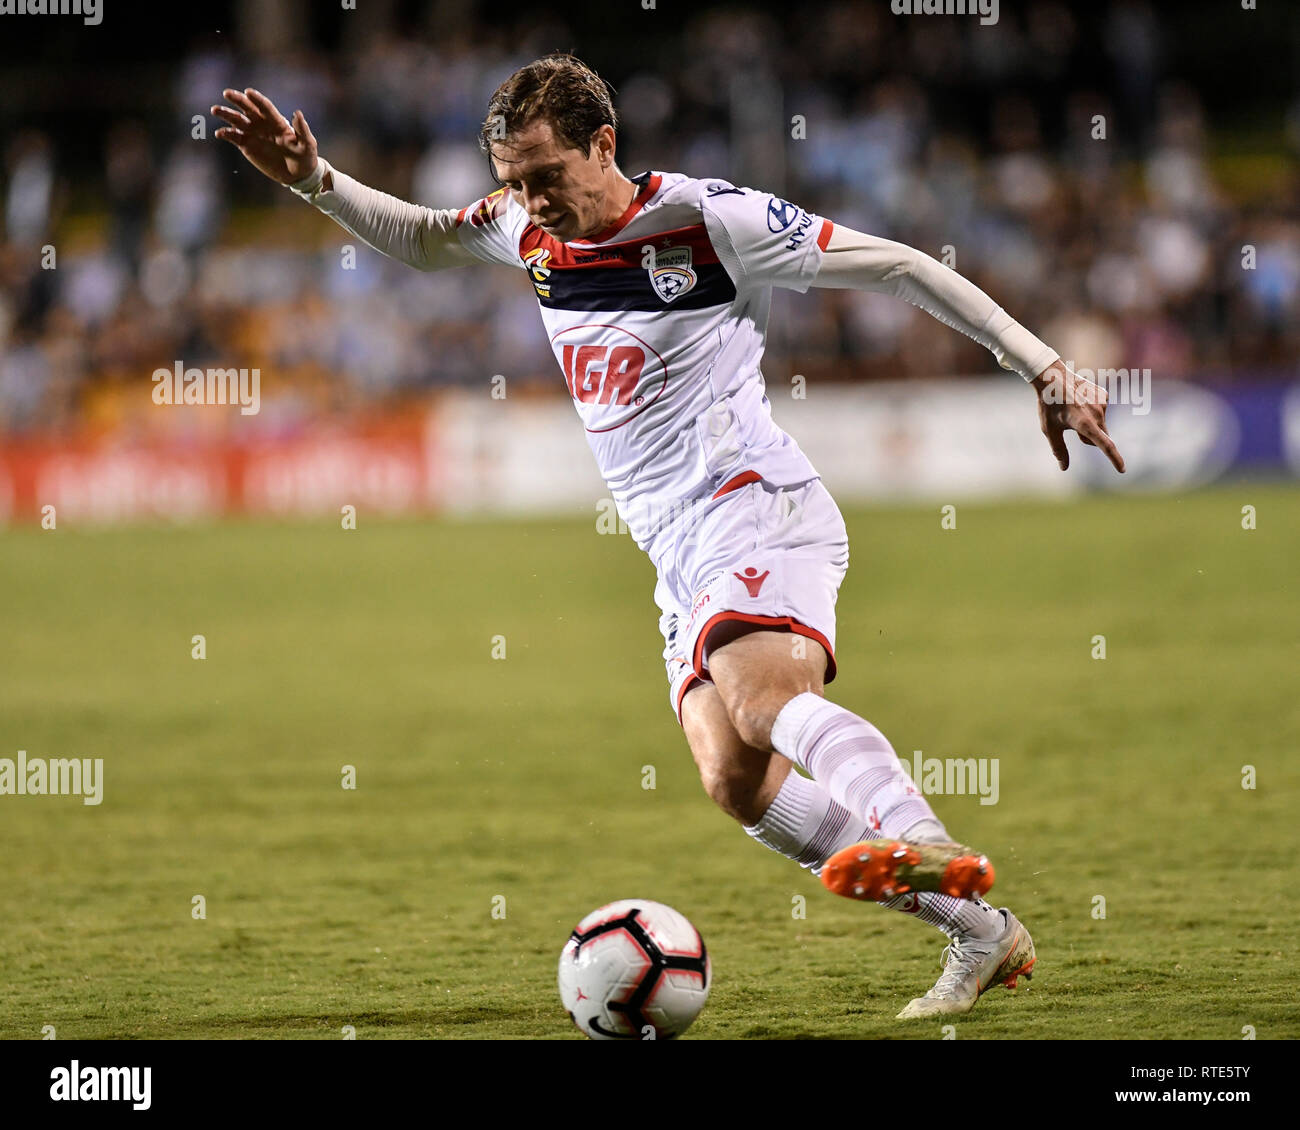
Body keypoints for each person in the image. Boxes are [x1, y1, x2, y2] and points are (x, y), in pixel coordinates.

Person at [214, 54, 1124, 1019]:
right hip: (676, 555)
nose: (527, 199)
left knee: (761, 694)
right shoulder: (523, 226)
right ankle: (980, 932)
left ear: (603, 144)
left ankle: (917, 832)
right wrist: (315, 180)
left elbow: (898, 266)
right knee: (735, 780)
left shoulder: (709, 221)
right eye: (512, 180)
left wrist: (1042, 364)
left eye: (544, 176)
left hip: (756, 506)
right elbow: (425, 241)